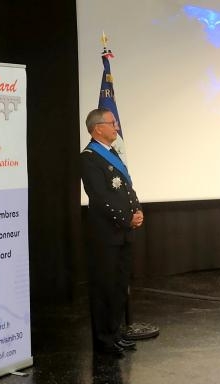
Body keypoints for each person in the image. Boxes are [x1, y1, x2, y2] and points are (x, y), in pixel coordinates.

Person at [80, 108, 144, 357]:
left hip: (123, 232)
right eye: (112, 123)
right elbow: (101, 197)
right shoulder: (89, 158)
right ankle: (103, 341)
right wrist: (126, 218)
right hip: (106, 234)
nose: (116, 127)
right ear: (98, 128)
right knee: (104, 288)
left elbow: (126, 187)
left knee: (119, 286)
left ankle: (115, 334)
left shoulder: (113, 153)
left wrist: (137, 209)